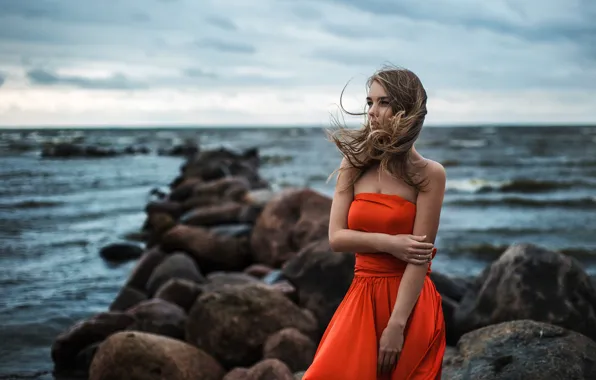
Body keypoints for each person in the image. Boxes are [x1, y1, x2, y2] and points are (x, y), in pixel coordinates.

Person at [302, 67, 447, 380]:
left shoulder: (429, 174)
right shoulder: (353, 164)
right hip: (362, 295)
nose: (372, 112)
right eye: (369, 103)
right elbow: (336, 238)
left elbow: (420, 259)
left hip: (409, 304)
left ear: (406, 109)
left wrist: (396, 326)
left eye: (383, 103)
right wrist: (389, 243)